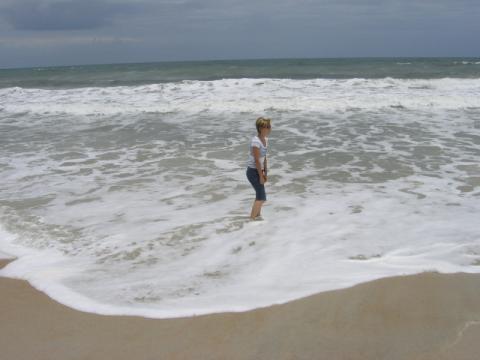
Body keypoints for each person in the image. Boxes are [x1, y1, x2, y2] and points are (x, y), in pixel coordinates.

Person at [246, 117, 271, 220]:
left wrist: (265, 172)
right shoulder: (256, 142)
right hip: (252, 172)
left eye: (269, 127)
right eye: (266, 127)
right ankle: (251, 219)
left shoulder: (265, 140)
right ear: (260, 128)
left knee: (260, 196)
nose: (269, 129)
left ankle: (257, 216)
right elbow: (256, 160)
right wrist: (260, 176)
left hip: (259, 171)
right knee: (261, 197)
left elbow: (264, 157)